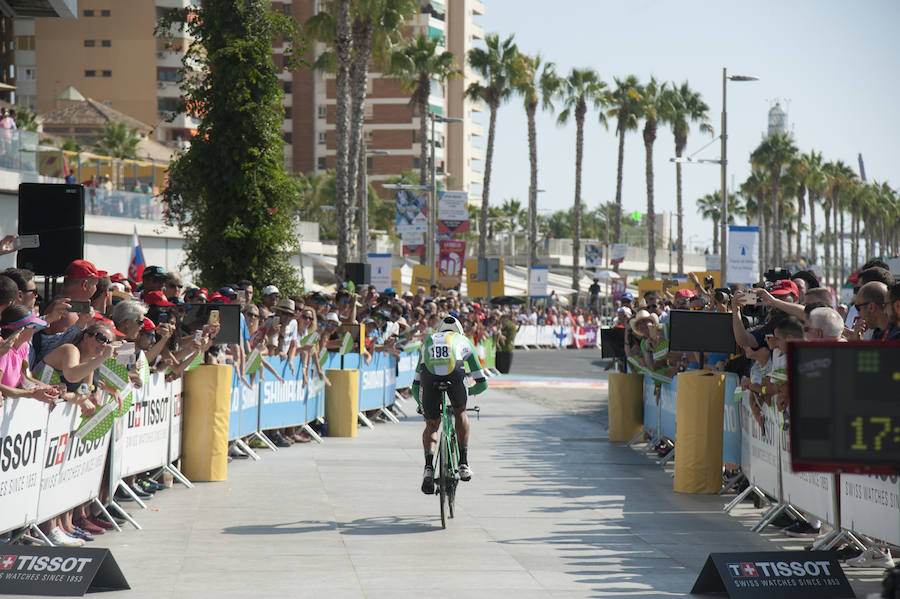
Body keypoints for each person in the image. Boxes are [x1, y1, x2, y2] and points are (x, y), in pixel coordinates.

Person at [411, 315, 487, 494]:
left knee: (431, 423)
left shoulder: (428, 340)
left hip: (429, 379)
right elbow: (482, 383)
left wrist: (421, 405)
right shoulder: (464, 340)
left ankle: (428, 468)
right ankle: (463, 463)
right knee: (460, 414)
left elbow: (415, 385)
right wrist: (466, 395)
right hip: (455, 375)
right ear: (459, 332)